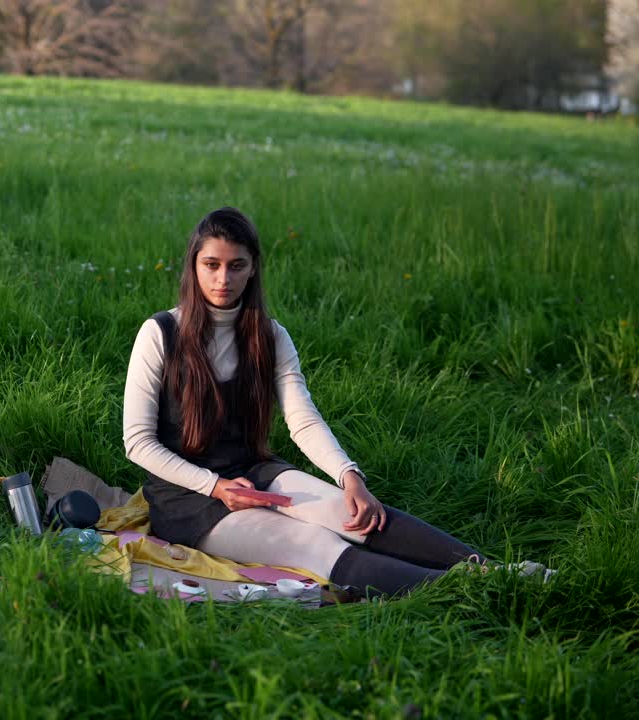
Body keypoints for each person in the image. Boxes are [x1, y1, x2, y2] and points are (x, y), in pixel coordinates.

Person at [123, 207, 492, 599]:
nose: (222, 279)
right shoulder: (160, 332)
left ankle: (495, 570)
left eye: (236, 266)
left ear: (253, 269)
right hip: (188, 500)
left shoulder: (270, 335)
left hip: (255, 471)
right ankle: (463, 588)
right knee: (312, 544)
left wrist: (349, 475)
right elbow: (137, 442)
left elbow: (303, 419)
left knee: (353, 516)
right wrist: (216, 487)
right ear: (193, 264)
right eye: (211, 264)